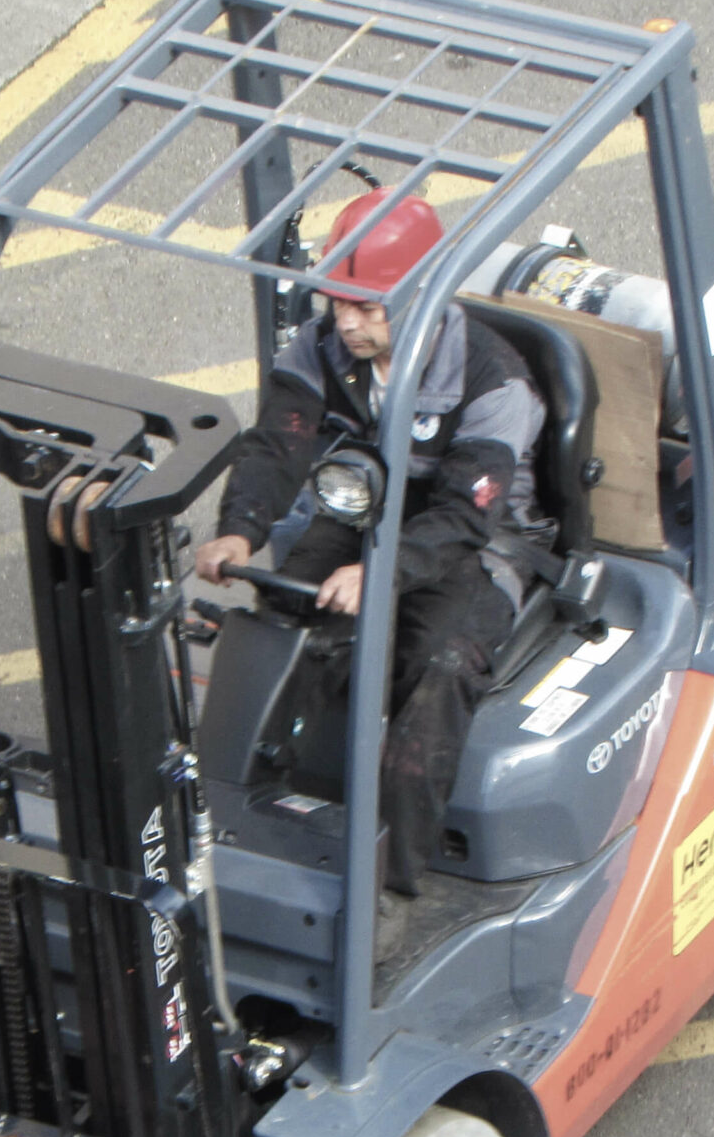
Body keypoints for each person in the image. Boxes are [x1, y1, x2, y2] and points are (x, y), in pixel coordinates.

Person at [194, 188, 549, 930]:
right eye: (339, 305)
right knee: (287, 605)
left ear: (421, 296)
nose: (347, 323)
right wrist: (242, 529)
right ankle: (227, 812)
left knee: (440, 666)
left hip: (472, 545)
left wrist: (379, 574)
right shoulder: (323, 346)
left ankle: (390, 885)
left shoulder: (492, 382)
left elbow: (463, 515)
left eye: (367, 308)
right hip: (364, 508)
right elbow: (278, 441)